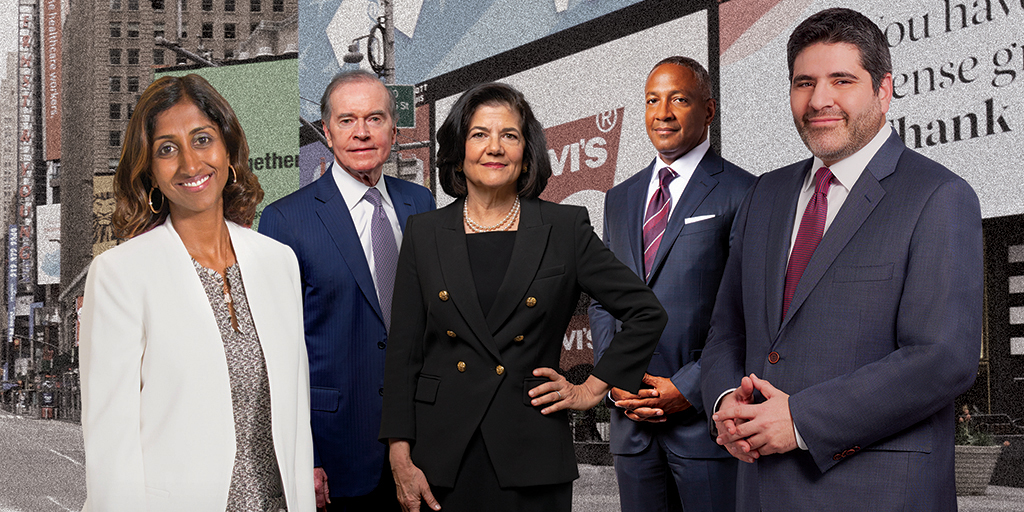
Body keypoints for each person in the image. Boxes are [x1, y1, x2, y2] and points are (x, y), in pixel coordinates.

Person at [700, 8, 983, 511]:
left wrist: (803, 419)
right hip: (760, 490)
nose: (819, 100)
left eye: (842, 80)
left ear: (884, 89)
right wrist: (726, 404)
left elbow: (942, 359)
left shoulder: (938, 195)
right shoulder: (765, 194)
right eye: (804, 82)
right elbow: (728, 329)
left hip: (877, 492)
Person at [379, 82, 667, 512]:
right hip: (441, 455)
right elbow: (403, 354)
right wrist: (399, 454)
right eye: (479, 134)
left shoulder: (565, 227)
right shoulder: (424, 233)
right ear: (458, 150)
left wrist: (590, 391)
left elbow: (646, 312)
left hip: (531, 451)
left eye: (509, 136)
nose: (494, 148)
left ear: (527, 151)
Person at [79, 74, 315, 511]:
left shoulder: (278, 262)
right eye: (167, 149)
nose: (190, 164)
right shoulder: (119, 274)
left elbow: (295, 422)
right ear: (149, 170)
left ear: (228, 150)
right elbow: (111, 441)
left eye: (202, 139)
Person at [258, 70, 435, 511]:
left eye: (374, 119)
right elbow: (275, 352)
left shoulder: (422, 205)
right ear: (326, 132)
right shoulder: (286, 220)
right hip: (335, 453)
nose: (361, 133)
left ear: (394, 131)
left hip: (425, 443)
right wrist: (306, 458)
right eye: (346, 120)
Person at [589, 56, 754, 512]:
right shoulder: (619, 199)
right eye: (652, 101)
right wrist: (615, 374)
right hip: (632, 427)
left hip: (705, 426)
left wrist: (691, 387)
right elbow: (605, 301)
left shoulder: (744, 191)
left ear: (709, 109)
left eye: (678, 99)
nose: (662, 113)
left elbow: (747, 309)